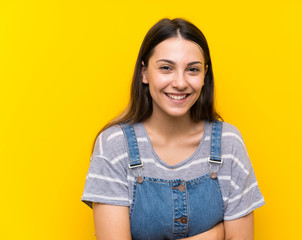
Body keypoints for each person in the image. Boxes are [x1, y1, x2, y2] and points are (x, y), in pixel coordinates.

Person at [81, 18, 265, 240]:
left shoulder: (228, 143)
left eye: (192, 69)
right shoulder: (114, 146)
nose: (180, 82)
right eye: (166, 68)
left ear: (204, 75)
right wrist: (212, 236)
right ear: (144, 73)